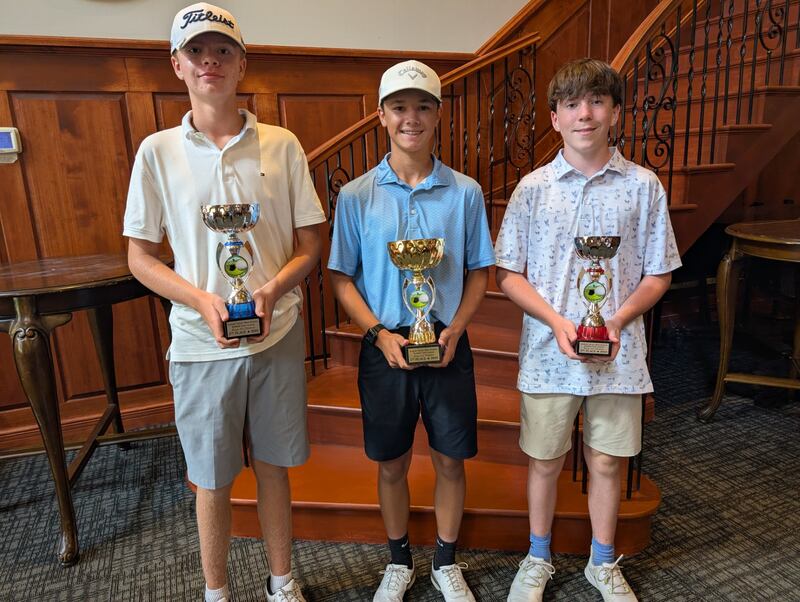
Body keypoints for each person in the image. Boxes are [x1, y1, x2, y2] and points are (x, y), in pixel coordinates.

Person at [123, 4, 326, 601]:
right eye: (196, 52)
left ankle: (282, 582)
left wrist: (266, 290)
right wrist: (204, 301)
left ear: (243, 63)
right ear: (176, 65)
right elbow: (140, 256)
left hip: (276, 330)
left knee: (273, 467)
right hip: (197, 340)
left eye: (222, 51)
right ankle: (217, 592)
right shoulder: (156, 151)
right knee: (210, 478)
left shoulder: (282, 144)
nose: (209, 61)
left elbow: (310, 244)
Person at [495, 58, 681, 602]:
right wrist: (556, 322)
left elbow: (658, 270)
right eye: (573, 104)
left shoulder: (644, 186)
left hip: (618, 354)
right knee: (546, 459)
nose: (585, 114)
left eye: (597, 102)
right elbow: (508, 273)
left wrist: (617, 319)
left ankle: (602, 561)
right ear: (555, 118)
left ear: (616, 113)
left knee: (606, 459)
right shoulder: (533, 189)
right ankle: (537, 556)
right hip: (549, 353)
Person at [327, 60, 495, 602]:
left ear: (438, 115)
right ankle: (399, 560)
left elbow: (478, 271)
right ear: (381, 116)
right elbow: (340, 277)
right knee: (392, 460)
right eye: (399, 107)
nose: (411, 118)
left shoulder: (465, 193)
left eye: (423, 106)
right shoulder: (356, 196)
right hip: (386, 344)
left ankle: (446, 560)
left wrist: (455, 332)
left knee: (450, 458)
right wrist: (377, 334)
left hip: (446, 340)